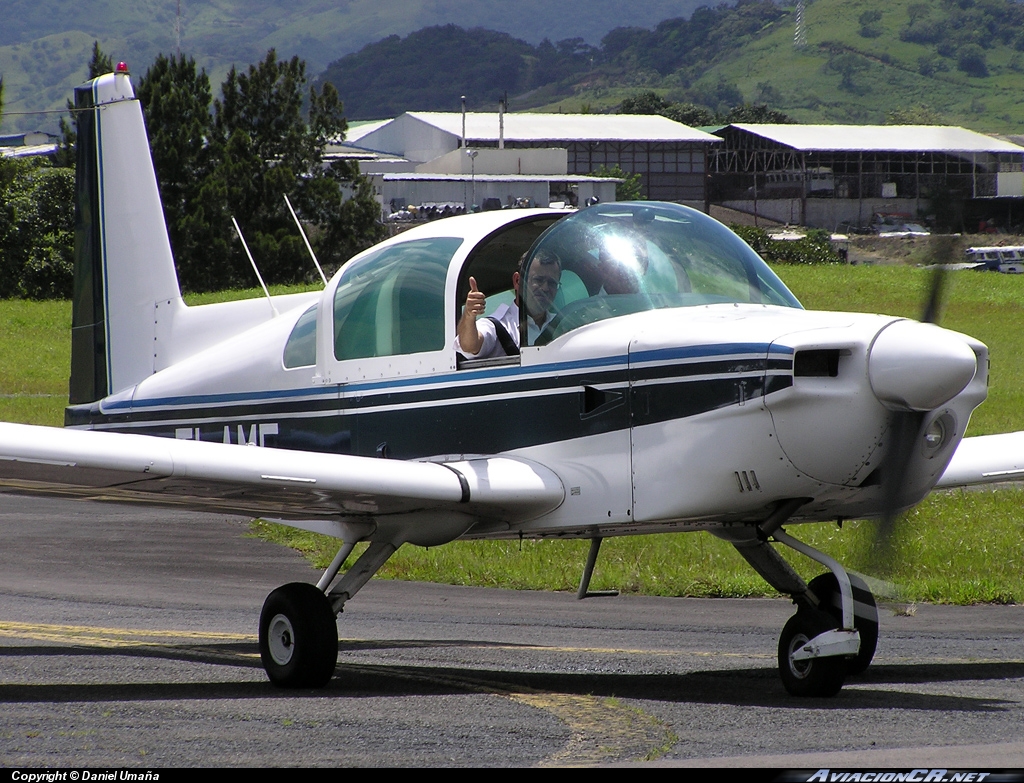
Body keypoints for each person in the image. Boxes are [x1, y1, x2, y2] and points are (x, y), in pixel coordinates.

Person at [455, 250, 561, 359]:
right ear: (517, 281)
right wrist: (469, 315)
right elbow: (469, 346)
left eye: (552, 283)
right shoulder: (498, 326)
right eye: (538, 280)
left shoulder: (563, 324)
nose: (545, 288)